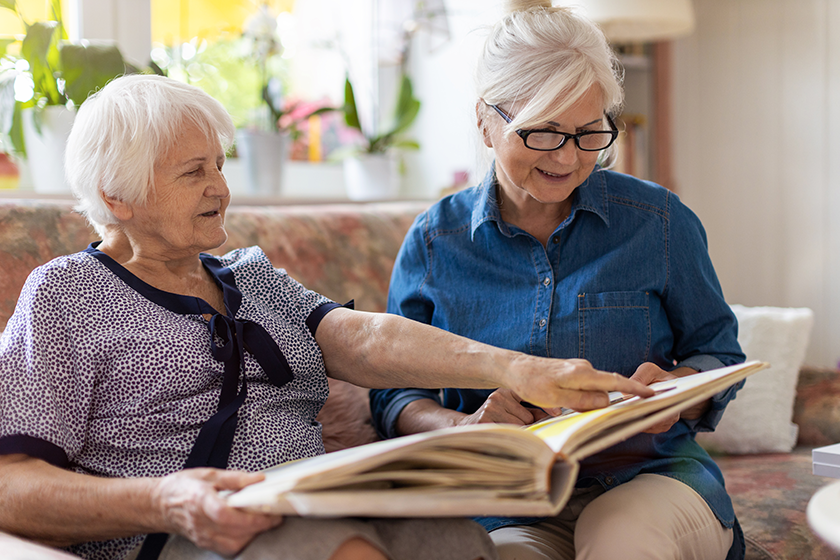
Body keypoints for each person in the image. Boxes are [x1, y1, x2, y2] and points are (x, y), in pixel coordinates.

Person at [0, 74, 653, 560]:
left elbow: (360, 337)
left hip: (311, 505)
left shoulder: (248, 275)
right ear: (119, 196)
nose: (219, 188)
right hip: (180, 534)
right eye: (193, 172)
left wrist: (521, 369)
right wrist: (167, 499)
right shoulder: (67, 294)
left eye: (220, 166)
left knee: (455, 543)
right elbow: (11, 484)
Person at [370, 2, 747, 560]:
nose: (569, 158)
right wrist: (463, 424)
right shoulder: (435, 241)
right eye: (544, 132)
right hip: (503, 497)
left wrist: (675, 390)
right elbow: (393, 391)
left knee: (622, 540)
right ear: (485, 121)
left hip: (651, 476)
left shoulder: (658, 223)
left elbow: (720, 353)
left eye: (589, 132)